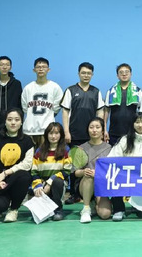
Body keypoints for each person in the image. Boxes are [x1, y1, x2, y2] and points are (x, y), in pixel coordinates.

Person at [61, 62, 105, 205]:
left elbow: (100, 112)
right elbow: (65, 112)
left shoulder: (96, 92)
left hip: (92, 135)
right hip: (75, 134)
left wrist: (102, 130)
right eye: (83, 73)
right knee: (75, 165)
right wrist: (66, 131)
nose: (86, 75)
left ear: (92, 75)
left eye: (89, 73)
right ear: (79, 74)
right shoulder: (71, 90)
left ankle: (91, 193)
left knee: (92, 164)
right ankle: (74, 194)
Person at [0, 108, 35, 222]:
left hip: (15, 182)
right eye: (10, 119)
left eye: (17, 119)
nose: (13, 123)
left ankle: (13, 209)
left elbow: (27, 164)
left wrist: (5, 173)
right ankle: (2, 205)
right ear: (5, 121)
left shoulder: (27, 141)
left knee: (24, 176)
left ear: (21, 122)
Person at [108, 112, 142, 221]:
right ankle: (118, 209)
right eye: (137, 122)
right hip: (125, 174)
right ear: (132, 124)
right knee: (115, 176)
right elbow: (113, 157)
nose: (140, 125)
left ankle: (139, 207)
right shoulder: (124, 139)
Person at [31, 122, 72, 221]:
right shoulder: (39, 151)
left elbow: (67, 171)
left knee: (57, 182)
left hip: (59, 181)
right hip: (42, 183)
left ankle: (58, 210)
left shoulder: (66, 150)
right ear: (46, 135)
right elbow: (34, 172)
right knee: (39, 215)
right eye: (51, 133)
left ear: (61, 135)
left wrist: (50, 182)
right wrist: (38, 186)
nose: (53, 136)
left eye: (57, 133)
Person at [75, 117, 113, 223]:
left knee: (105, 214)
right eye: (91, 127)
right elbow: (76, 172)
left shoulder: (109, 148)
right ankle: (86, 209)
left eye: (97, 127)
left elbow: (111, 171)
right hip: (85, 184)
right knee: (89, 176)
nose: (94, 130)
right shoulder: (81, 148)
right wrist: (83, 172)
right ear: (87, 130)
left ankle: (94, 203)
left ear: (102, 130)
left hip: (101, 185)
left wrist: (98, 174)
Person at [21, 57, 63, 147]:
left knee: (45, 155)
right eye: (38, 67)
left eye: (44, 67)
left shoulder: (55, 87)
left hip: (47, 131)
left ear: (48, 69)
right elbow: (25, 108)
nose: (41, 69)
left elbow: (56, 108)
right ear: (34, 70)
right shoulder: (28, 88)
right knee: (29, 155)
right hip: (29, 130)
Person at [103, 63, 142, 146]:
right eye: (121, 72)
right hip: (114, 133)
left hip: (132, 132)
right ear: (117, 76)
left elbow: (141, 113)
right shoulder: (111, 92)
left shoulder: (137, 91)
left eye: (126, 72)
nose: (124, 74)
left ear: (131, 74)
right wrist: (104, 129)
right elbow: (106, 111)